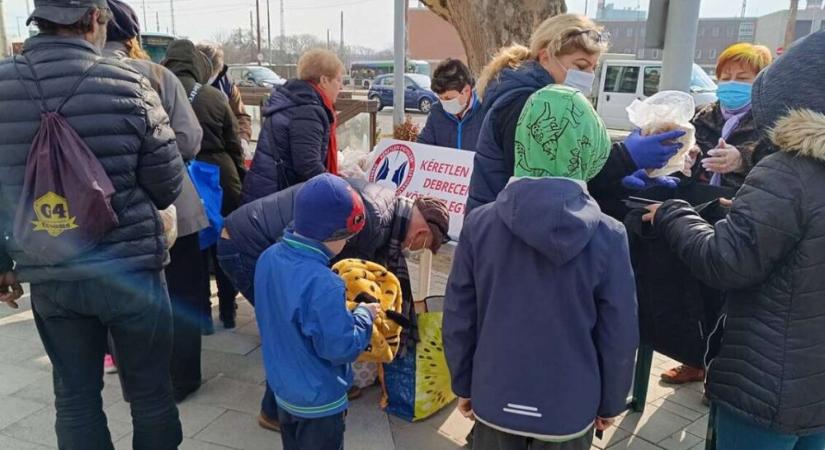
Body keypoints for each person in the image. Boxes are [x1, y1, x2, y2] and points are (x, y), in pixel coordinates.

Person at [0, 1, 185, 448]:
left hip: (51, 273)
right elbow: (167, 185)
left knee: (75, 400)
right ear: (95, 20)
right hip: (132, 270)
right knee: (151, 395)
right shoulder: (129, 82)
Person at [642, 31, 825, 450]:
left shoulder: (788, 170)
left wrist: (672, 214)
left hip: (766, 382)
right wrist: (739, 212)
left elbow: (726, 262)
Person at [444, 84, 638, 450]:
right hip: (569, 405)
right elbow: (619, 332)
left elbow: (459, 315)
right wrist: (611, 399)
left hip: (495, 393)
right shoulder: (609, 235)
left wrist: (464, 383)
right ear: (590, 144)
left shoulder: (481, 225)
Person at [217, 177, 449, 430]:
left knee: (287, 328)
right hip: (244, 244)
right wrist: (364, 316)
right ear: (421, 233)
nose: (414, 249)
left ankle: (297, 401)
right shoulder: (369, 223)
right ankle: (277, 411)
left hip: (257, 240)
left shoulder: (387, 203)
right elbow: (338, 291)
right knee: (287, 331)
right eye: (423, 246)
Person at [466, 13, 685, 218]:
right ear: (545, 57)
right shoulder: (527, 104)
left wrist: (621, 178)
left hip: (508, 222)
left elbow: (572, 177)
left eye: (593, 67)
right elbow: (550, 182)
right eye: (580, 66)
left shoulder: (550, 101)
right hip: (506, 230)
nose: (588, 76)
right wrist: (625, 158)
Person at [104, 0, 210, 394]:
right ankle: (183, 378)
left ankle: (139, 381)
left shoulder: (74, 76)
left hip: (105, 211)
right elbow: (190, 138)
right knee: (181, 290)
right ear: (133, 36)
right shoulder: (157, 76)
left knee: (124, 296)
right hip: (171, 206)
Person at [659, 42, 773, 386]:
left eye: (743, 77)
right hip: (701, 208)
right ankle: (694, 359)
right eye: (726, 76)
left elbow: (778, 165)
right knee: (692, 289)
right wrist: (686, 159)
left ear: (761, 81)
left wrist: (743, 159)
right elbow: (684, 158)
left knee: (729, 299)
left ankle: (719, 369)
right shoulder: (705, 115)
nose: (732, 83)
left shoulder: (771, 119)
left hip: (741, 215)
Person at [255, 173, 379, 450]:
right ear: (333, 234)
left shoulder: (269, 257)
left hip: (283, 390)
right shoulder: (324, 283)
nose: (346, 244)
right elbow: (340, 347)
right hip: (320, 402)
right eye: (347, 237)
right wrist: (363, 316)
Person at [164, 39, 246, 333]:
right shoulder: (214, 96)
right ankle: (228, 310)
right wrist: (240, 177)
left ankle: (200, 318)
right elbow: (233, 144)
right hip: (219, 177)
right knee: (223, 242)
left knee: (190, 251)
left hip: (178, 179)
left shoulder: (158, 92)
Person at [241, 49, 345, 204]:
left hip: (265, 192)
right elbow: (308, 166)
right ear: (324, 80)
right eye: (338, 80)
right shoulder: (308, 110)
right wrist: (341, 190)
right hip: (277, 202)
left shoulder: (294, 99)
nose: (341, 87)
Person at [197, 42, 254, 158]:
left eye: (214, 72)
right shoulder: (182, 82)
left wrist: (243, 139)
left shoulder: (227, 85)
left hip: (222, 149)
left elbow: (241, 115)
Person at [417, 58, 483, 151]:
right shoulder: (436, 112)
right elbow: (423, 145)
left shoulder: (485, 112)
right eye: (441, 98)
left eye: (449, 98)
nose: (445, 103)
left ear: (466, 90)